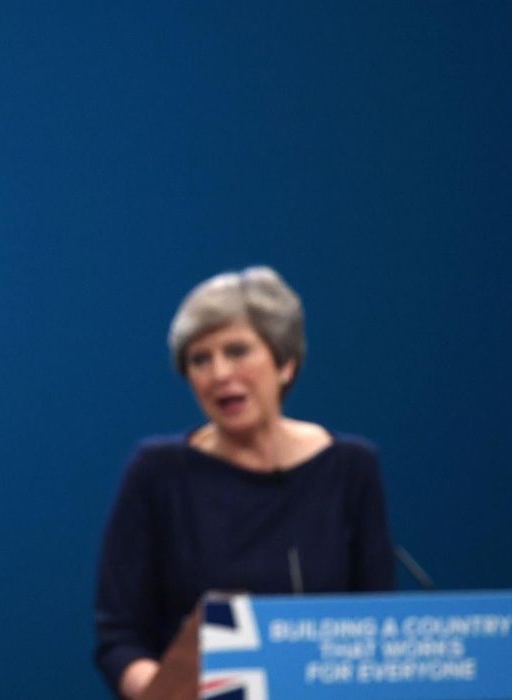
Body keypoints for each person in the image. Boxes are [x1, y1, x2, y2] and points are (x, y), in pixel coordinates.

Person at [93, 266, 394, 699]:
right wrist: (162, 693)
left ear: (285, 362)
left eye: (237, 351)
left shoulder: (350, 468)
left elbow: (377, 629)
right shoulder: (157, 472)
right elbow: (119, 637)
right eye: (200, 359)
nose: (219, 374)